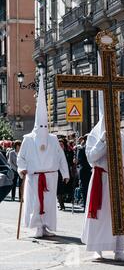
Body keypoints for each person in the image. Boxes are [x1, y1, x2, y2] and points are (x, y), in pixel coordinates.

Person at [81, 98, 124, 261]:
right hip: (101, 179)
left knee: (118, 214)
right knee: (100, 215)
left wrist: (118, 155)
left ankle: (119, 249)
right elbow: (91, 157)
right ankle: (98, 248)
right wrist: (103, 142)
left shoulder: (122, 137)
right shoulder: (93, 136)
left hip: (118, 179)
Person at [17, 77, 70, 238]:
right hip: (34, 178)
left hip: (50, 177)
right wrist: (22, 169)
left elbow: (61, 158)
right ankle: (36, 227)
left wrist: (65, 173)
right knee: (35, 203)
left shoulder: (53, 140)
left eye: (45, 126)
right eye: (41, 126)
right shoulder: (27, 139)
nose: (43, 129)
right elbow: (21, 158)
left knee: (48, 203)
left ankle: (46, 226)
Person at [76, 135, 92, 211]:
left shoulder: (82, 149)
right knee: (86, 188)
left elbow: (78, 161)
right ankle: (87, 205)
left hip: (86, 171)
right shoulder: (85, 149)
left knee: (85, 189)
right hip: (87, 171)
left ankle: (86, 205)